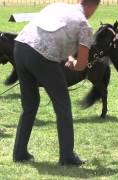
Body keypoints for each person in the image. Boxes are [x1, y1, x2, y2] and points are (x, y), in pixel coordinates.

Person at [13, 0, 100, 166]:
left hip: (20, 46)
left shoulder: (57, 6)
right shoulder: (84, 25)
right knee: (63, 106)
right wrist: (73, 63)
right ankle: (67, 156)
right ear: (94, 6)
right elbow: (82, 64)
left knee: (29, 105)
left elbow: (52, 35)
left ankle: (19, 152)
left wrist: (67, 56)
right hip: (41, 55)